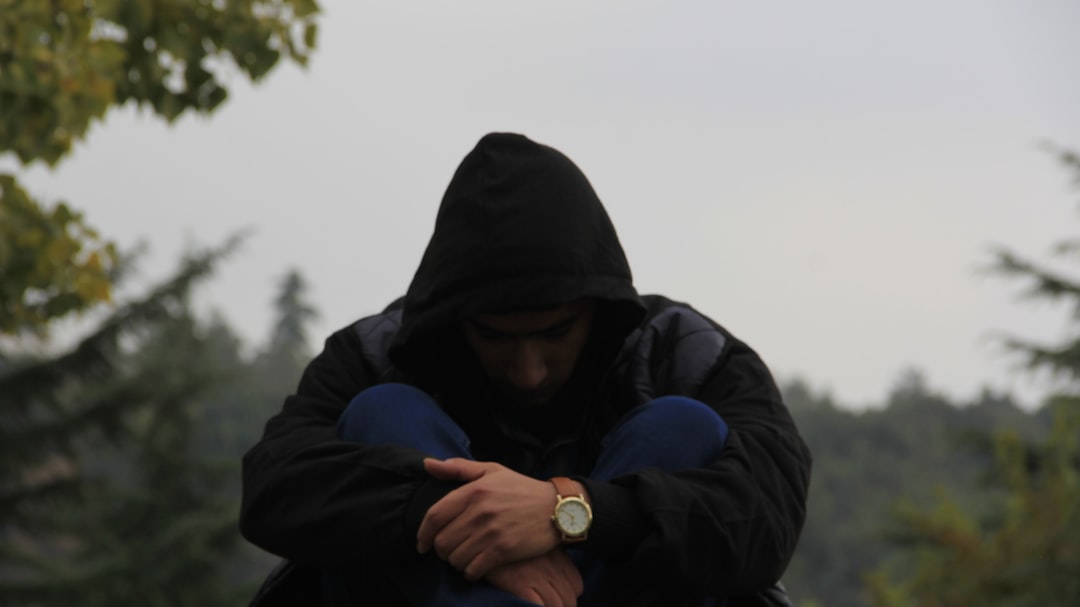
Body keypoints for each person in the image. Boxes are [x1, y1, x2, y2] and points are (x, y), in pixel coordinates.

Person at [240, 133, 811, 607]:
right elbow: (276, 486)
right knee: (385, 414)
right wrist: (458, 516)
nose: (530, 371)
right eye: (495, 337)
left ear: (598, 312)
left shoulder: (685, 355)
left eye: (556, 333)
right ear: (456, 323)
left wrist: (571, 512)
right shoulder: (378, 356)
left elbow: (766, 510)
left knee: (683, 428)